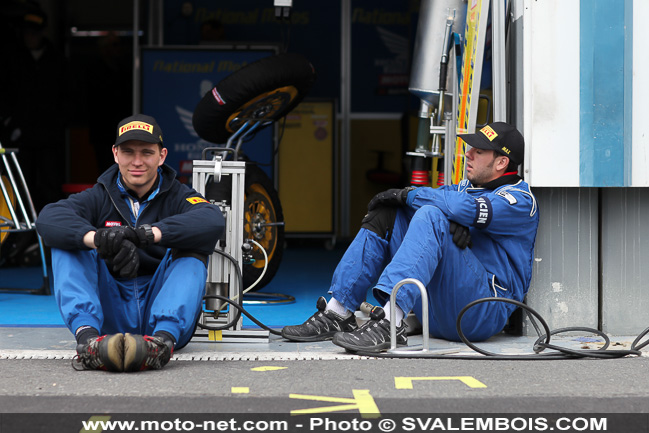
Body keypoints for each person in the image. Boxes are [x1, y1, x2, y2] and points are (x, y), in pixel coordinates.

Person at [281, 122, 539, 352]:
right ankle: (338, 312)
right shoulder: (465, 187)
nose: (468, 154)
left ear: (501, 163)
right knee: (388, 213)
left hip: (481, 313)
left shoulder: (519, 199)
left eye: (479, 151)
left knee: (429, 213)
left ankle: (390, 323)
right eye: (471, 148)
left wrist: (408, 194)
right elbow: (446, 203)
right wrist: (441, 214)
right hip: (435, 312)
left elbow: (460, 208)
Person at [36, 114, 224, 372]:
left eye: (147, 152)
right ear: (115, 154)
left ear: (162, 156)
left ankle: (161, 344)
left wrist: (147, 234)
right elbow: (48, 219)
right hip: (108, 313)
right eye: (128, 152)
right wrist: (98, 239)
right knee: (67, 242)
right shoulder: (98, 196)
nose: (137, 161)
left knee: (194, 245)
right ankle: (88, 341)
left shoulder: (179, 195)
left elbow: (212, 220)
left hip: (160, 310)